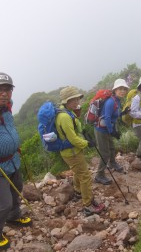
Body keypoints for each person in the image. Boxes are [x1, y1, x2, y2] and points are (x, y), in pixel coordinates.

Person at [55, 86, 105, 216]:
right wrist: (87, 143)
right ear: (68, 100)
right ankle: (88, 205)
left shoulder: (65, 112)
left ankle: (78, 192)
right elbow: (72, 139)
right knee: (85, 176)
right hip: (72, 152)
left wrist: (82, 134)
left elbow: (73, 133)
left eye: (78, 98)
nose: (78, 101)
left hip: (71, 151)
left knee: (78, 172)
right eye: (75, 99)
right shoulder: (65, 117)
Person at [0, 72, 32, 251]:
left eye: (7, 90)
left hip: (13, 160)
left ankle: (14, 216)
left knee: (17, 188)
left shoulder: (7, 108)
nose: (4, 93)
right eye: (0, 90)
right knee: (3, 204)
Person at [94, 79, 129, 185]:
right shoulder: (110, 101)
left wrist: (123, 113)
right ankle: (99, 175)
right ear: (115, 90)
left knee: (112, 148)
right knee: (105, 153)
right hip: (101, 130)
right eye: (120, 89)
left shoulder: (117, 100)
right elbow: (107, 118)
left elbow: (114, 114)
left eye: (124, 89)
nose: (122, 91)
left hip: (107, 128)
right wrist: (112, 131)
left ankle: (112, 163)